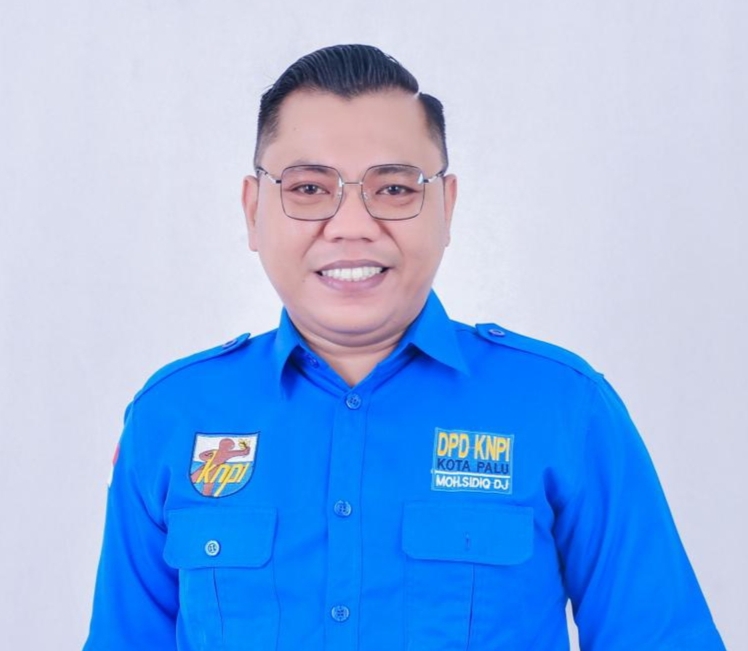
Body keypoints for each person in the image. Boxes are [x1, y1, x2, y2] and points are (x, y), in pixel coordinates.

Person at [83, 44, 726, 651]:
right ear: (254, 211)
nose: (352, 225)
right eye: (309, 189)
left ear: (446, 206)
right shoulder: (173, 415)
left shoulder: (564, 407)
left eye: (394, 189)